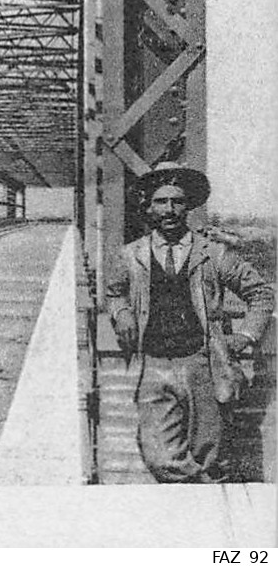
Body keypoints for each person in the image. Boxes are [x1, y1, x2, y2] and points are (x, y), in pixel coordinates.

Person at [104, 161, 273, 483]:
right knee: (160, 456)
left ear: (188, 206)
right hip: (152, 365)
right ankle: (205, 487)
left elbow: (261, 294)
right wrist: (122, 313)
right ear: (149, 207)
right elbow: (114, 293)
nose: (169, 210)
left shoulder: (214, 254)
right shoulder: (131, 255)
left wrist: (247, 335)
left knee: (208, 451)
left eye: (177, 202)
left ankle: (202, 514)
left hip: (204, 365)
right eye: (161, 202)